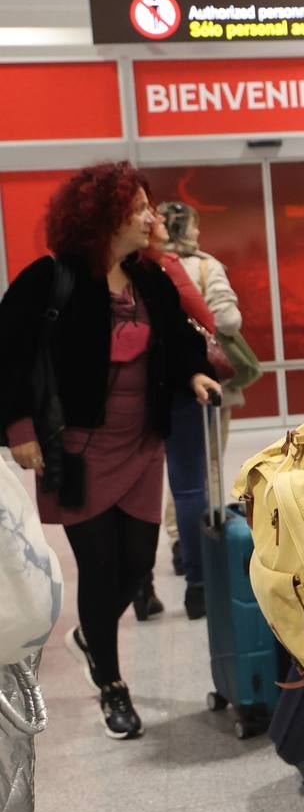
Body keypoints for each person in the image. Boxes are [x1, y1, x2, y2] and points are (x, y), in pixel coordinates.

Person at [0, 162, 219, 740]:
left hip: (142, 445)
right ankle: (112, 683)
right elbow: (9, 353)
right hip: (76, 449)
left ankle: (90, 634)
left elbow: (176, 342)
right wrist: (18, 425)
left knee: (138, 565)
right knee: (99, 570)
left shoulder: (149, 279)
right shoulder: (51, 279)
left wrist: (194, 375)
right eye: (139, 206)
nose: (151, 216)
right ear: (106, 215)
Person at [155, 201, 246, 620]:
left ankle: (176, 540)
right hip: (204, 379)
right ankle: (202, 552)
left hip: (158, 384)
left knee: (177, 471)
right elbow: (226, 320)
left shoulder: (142, 265)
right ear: (189, 228)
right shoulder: (206, 266)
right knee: (205, 465)